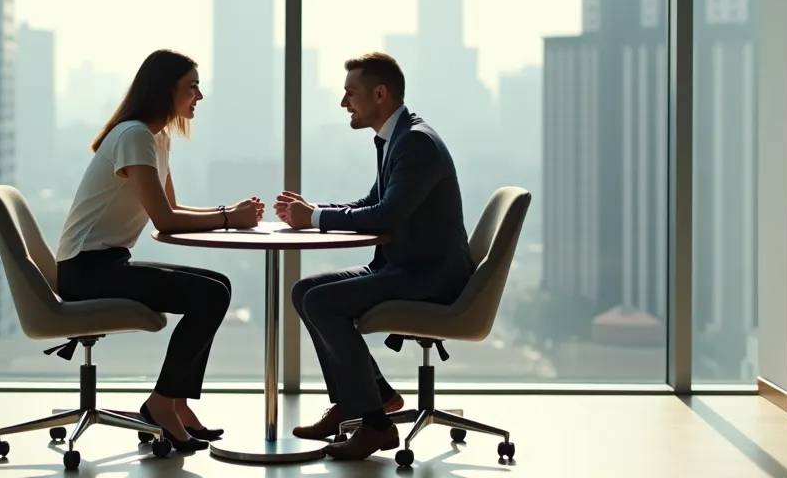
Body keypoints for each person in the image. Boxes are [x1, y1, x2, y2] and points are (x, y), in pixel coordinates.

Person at [54, 48, 264, 453]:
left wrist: (229, 213)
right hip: (86, 270)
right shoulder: (134, 136)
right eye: (192, 87)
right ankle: (160, 405)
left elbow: (173, 208)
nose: (199, 96)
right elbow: (166, 221)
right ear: (165, 90)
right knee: (211, 295)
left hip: (108, 262)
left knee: (216, 284)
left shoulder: (155, 137)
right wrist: (228, 218)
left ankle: (176, 402)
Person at [274, 52, 473, 461]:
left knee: (321, 302)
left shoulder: (415, 142)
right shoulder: (397, 138)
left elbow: (387, 214)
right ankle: (369, 399)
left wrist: (313, 217)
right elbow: (373, 201)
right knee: (304, 291)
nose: (344, 103)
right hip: (405, 265)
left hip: (428, 276)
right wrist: (313, 212)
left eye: (350, 93)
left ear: (379, 94)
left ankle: (375, 426)